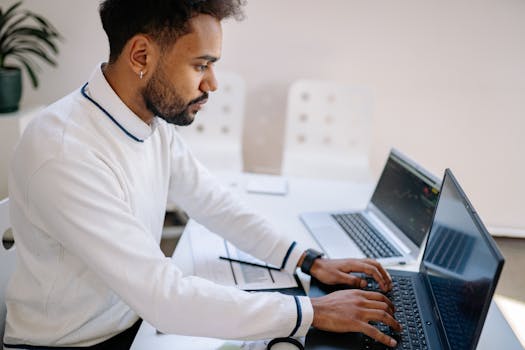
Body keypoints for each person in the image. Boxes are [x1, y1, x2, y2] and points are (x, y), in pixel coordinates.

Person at [4, 0, 401, 349]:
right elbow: (165, 298)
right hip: (76, 343)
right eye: (201, 65)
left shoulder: (147, 122)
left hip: (133, 320)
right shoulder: (64, 152)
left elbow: (211, 201)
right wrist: (311, 311)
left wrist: (308, 260)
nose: (212, 83)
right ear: (141, 56)